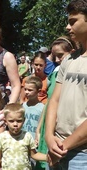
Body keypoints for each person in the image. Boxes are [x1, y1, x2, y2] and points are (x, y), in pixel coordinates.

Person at [45, 0, 87, 169]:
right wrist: (48, 137)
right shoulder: (69, 59)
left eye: (73, 22)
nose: (68, 28)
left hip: (82, 155)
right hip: (56, 148)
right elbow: (54, 100)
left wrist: (64, 146)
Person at [34, 36, 76, 170]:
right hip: (48, 126)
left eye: (61, 55)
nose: (57, 60)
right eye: (55, 56)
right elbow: (49, 102)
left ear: (72, 52)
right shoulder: (56, 74)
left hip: (61, 131)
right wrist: (39, 127)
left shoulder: (75, 75)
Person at [0, 103, 48, 170]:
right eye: (11, 121)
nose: (15, 124)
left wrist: (48, 157)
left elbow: (34, 155)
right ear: (5, 121)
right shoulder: (2, 137)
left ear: (24, 120)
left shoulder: (27, 136)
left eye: (19, 121)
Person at [22, 76, 44, 140]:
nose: (26, 92)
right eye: (25, 89)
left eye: (30, 90)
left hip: (35, 142)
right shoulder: (22, 106)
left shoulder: (42, 108)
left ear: (38, 91)